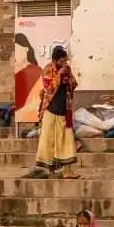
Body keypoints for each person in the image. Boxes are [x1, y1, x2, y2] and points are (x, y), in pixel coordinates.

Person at [27, 46, 78, 179]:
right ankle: (50, 171)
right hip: (50, 109)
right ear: (56, 59)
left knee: (67, 142)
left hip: (64, 110)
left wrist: (69, 79)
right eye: (62, 60)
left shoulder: (68, 69)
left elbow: (74, 83)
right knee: (48, 141)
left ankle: (68, 171)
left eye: (65, 60)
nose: (65, 62)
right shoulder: (48, 69)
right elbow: (48, 88)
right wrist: (60, 74)